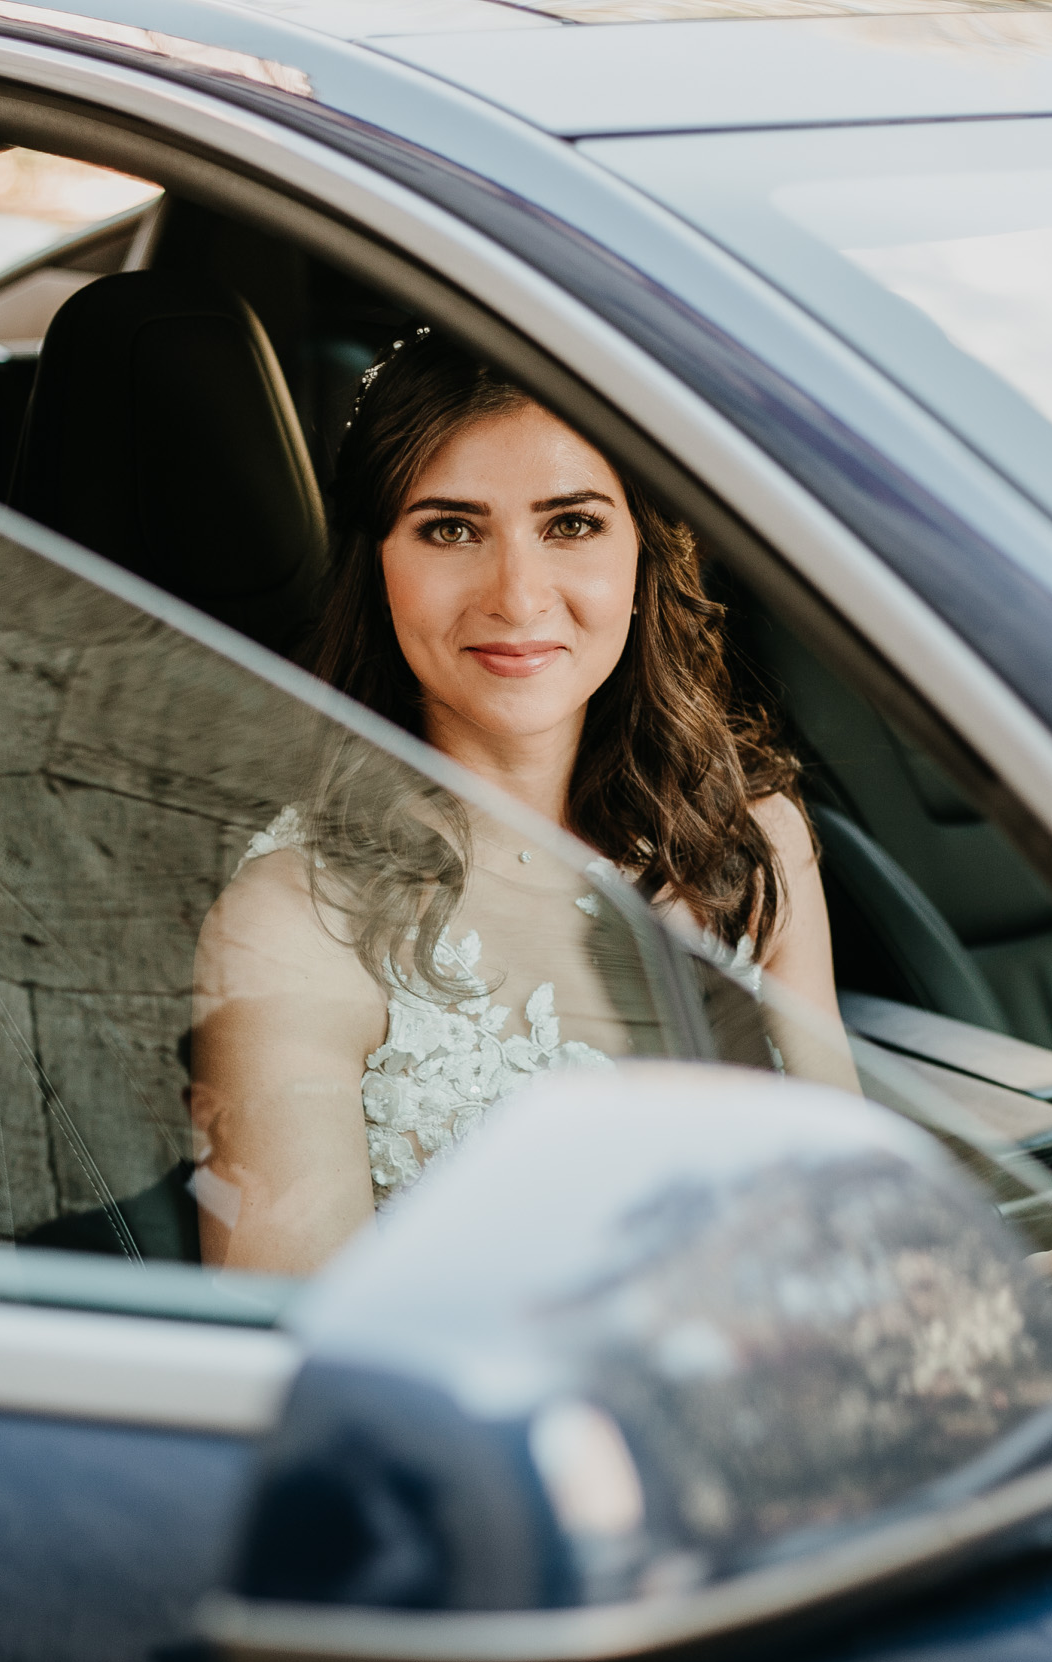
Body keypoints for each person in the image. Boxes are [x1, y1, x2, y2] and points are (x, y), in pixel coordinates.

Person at [189, 331, 856, 1273]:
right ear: (378, 566)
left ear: (644, 553)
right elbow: (307, 1341)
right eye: (452, 529)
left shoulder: (752, 837)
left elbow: (848, 1230)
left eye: (571, 524)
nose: (517, 594)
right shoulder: (298, 923)